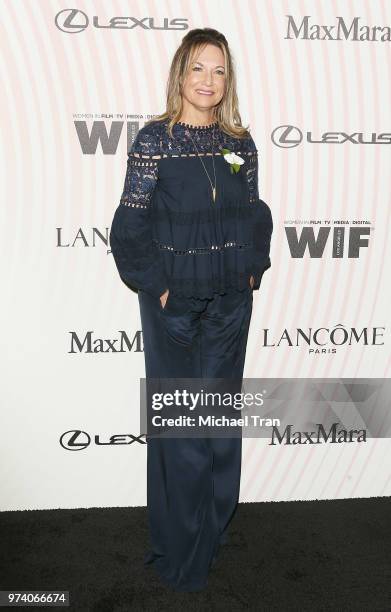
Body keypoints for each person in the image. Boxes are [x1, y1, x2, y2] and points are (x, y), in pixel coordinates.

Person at [109, 28, 273, 592]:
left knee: (220, 424)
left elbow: (256, 211)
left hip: (230, 303)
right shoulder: (155, 140)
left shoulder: (240, 142)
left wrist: (252, 266)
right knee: (181, 428)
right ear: (180, 73)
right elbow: (129, 225)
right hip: (174, 307)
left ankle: (214, 530)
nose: (209, 80)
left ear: (229, 80)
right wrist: (157, 288)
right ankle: (181, 548)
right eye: (198, 68)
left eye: (219, 70)